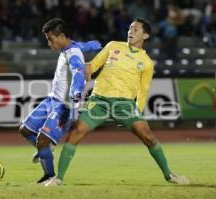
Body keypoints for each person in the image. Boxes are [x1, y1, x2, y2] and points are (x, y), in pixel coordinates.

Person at [46, 17, 190, 186]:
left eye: (136, 30)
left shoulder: (147, 63)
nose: (131, 32)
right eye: (130, 29)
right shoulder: (113, 46)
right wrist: (74, 63)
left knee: (149, 138)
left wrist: (138, 109)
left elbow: (143, 90)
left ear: (145, 36)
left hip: (125, 105)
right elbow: (91, 67)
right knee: (76, 132)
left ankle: (169, 175)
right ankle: (59, 178)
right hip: (99, 101)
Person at [18, 18, 101, 184]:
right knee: (25, 130)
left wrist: (76, 92)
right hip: (51, 100)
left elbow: (78, 71)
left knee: (41, 139)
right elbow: (82, 46)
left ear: (62, 36)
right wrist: (93, 45)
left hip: (64, 106)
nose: (49, 43)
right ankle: (46, 149)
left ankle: (50, 176)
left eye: (51, 39)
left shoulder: (73, 54)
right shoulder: (71, 46)